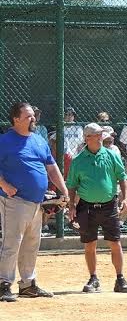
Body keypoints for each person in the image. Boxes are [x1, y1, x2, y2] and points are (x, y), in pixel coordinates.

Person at [0, 102, 69, 302]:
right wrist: (3, 184)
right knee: (11, 243)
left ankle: (28, 284)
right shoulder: (5, 141)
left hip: (37, 202)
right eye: (29, 116)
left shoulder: (39, 140)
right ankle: (4, 284)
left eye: (34, 116)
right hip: (14, 201)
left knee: (31, 243)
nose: (34, 119)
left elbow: (51, 167)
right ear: (16, 119)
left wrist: (63, 190)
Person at [67, 123, 127, 294]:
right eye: (98, 134)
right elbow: (71, 185)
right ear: (88, 138)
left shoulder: (111, 155)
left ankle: (120, 278)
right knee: (90, 244)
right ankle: (93, 278)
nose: (102, 136)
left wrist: (124, 198)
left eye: (101, 134)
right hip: (86, 207)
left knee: (115, 243)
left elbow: (122, 178)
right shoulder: (78, 161)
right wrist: (72, 205)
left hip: (109, 205)